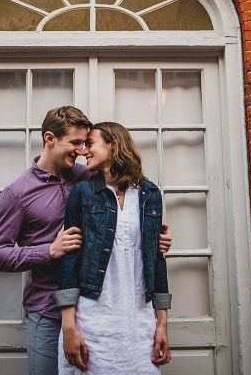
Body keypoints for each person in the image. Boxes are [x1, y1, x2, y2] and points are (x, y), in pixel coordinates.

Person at [0, 107, 172, 375]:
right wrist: (48, 251)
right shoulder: (18, 193)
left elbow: (129, 217)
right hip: (47, 309)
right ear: (50, 139)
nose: (82, 150)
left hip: (91, 310)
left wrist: (156, 237)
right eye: (75, 143)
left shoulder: (89, 179)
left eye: (85, 143)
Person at [54, 122, 171, 375]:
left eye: (91, 144)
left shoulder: (150, 194)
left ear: (113, 145)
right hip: (94, 319)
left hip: (139, 322)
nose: (84, 151)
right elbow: (69, 260)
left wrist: (161, 324)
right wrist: (69, 327)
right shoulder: (83, 193)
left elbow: (156, 260)